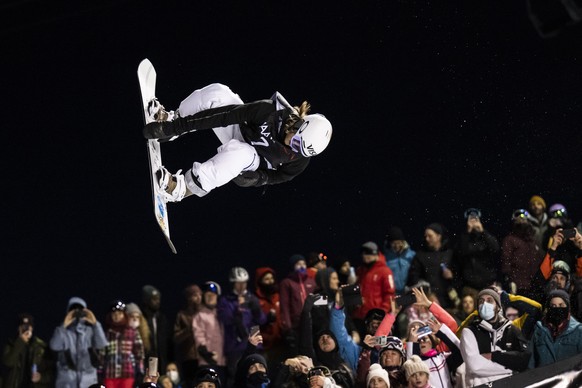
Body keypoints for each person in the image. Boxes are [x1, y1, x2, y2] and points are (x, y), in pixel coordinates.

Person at [142, 84, 333, 200]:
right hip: (240, 128)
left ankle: (181, 188)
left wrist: (260, 179)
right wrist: (176, 127)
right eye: (297, 142)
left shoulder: (300, 159)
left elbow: (283, 176)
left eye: (301, 150)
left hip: (252, 158)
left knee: (239, 153)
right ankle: (172, 118)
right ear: (299, 125)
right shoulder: (270, 112)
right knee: (218, 92)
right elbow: (225, 116)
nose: (294, 148)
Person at [459, 288, 530, 387]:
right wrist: (511, 366)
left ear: (498, 307)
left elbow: (524, 360)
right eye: (481, 301)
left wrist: (495, 357)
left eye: (489, 300)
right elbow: (476, 366)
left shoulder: (511, 330)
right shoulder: (469, 332)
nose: (484, 304)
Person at [217, 267, 266, 388]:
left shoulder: (252, 298)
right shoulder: (226, 300)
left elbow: (261, 321)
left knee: (259, 376)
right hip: (235, 347)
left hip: (254, 345)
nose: (242, 286)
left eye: (244, 283)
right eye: (239, 283)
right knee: (236, 377)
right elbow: (224, 319)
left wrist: (256, 310)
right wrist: (237, 311)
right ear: (233, 283)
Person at [49, 296, 107, 388]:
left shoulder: (90, 331)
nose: (77, 313)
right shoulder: (63, 332)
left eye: (80, 310)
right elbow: (54, 346)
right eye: (73, 310)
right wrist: (63, 325)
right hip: (67, 379)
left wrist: (95, 324)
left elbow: (102, 345)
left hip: (87, 378)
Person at [528, 289, 582, 368]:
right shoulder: (539, 330)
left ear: (568, 308)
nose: (557, 309)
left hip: (568, 379)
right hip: (544, 378)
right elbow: (531, 362)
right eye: (553, 306)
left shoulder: (578, 331)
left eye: (561, 305)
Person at [452, 208, 500, 296]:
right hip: (469, 285)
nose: (473, 223)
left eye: (476, 220)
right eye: (470, 220)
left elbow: (495, 249)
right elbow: (460, 253)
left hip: (488, 283)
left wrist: (482, 231)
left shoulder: (486, 237)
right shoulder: (462, 238)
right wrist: (468, 231)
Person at [407, 224, 455, 309]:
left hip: (449, 301)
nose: (427, 239)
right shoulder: (420, 256)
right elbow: (413, 278)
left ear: (438, 236)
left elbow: (460, 273)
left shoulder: (449, 254)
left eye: (430, 236)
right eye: (425, 236)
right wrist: (428, 293)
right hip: (429, 301)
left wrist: (452, 274)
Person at [353, 241, 396, 334]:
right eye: (363, 254)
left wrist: (381, 314)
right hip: (360, 316)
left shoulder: (385, 271)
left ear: (375, 253)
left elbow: (389, 294)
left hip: (375, 318)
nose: (365, 256)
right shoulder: (360, 270)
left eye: (368, 253)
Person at [100, 300, 145, 388]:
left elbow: (139, 353)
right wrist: (100, 370)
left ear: (124, 315)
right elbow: (102, 353)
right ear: (110, 316)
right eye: (114, 314)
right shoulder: (108, 333)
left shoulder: (132, 331)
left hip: (127, 372)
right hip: (110, 373)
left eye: (119, 314)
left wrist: (140, 370)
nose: (117, 316)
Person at [2, 314, 54, 388]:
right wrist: (21, 341)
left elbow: (53, 373)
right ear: (18, 328)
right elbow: (7, 363)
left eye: (28, 327)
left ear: (32, 329)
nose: (25, 330)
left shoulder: (41, 347)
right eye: (23, 327)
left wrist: (41, 378)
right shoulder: (11, 344)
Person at [279, 254, 317, 356]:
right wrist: (287, 328)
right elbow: (284, 306)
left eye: (304, 263)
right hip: (296, 325)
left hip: (312, 322)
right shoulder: (287, 283)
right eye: (298, 264)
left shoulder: (311, 281)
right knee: (299, 352)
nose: (302, 266)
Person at [500, 209, 544, 298]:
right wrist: (510, 281)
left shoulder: (533, 241)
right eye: (518, 217)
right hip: (517, 286)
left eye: (524, 218)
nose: (522, 219)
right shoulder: (510, 240)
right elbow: (506, 261)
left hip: (533, 286)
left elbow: (539, 260)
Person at [193, 281, 227, 385]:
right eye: (207, 295)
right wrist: (206, 354)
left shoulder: (221, 314)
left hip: (223, 362)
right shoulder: (200, 315)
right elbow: (198, 336)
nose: (210, 298)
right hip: (207, 362)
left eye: (212, 295)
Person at [254, 267, 283, 368]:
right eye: (266, 279)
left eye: (271, 278)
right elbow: (253, 323)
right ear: (260, 281)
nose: (270, 281)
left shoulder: (278, 297)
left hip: (280, 343)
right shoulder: (256, 300)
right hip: (264, 346)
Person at [174, 284, 203, 385]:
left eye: (200, 294)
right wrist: (189, 329)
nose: (199, 297)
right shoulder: (182, 315)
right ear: (189, 298)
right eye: (195, 295)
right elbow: (176, 338)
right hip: (189, 359)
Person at [141, 285, 173, 372]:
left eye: (158, 299)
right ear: (147, 300)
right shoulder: (141, 318)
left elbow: (168, 341)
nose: (157, 302)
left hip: (162, 361)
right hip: (147, 361)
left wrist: (171, 360)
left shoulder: (162, 318)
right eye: (154, 299)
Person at [383, 226, 416, 296]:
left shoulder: (412, 255)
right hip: (392, 293)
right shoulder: (385, 258)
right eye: (394, 243)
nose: (397, 245)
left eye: (399, 242)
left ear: (403, 242)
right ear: (389, 243)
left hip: (409, 292)